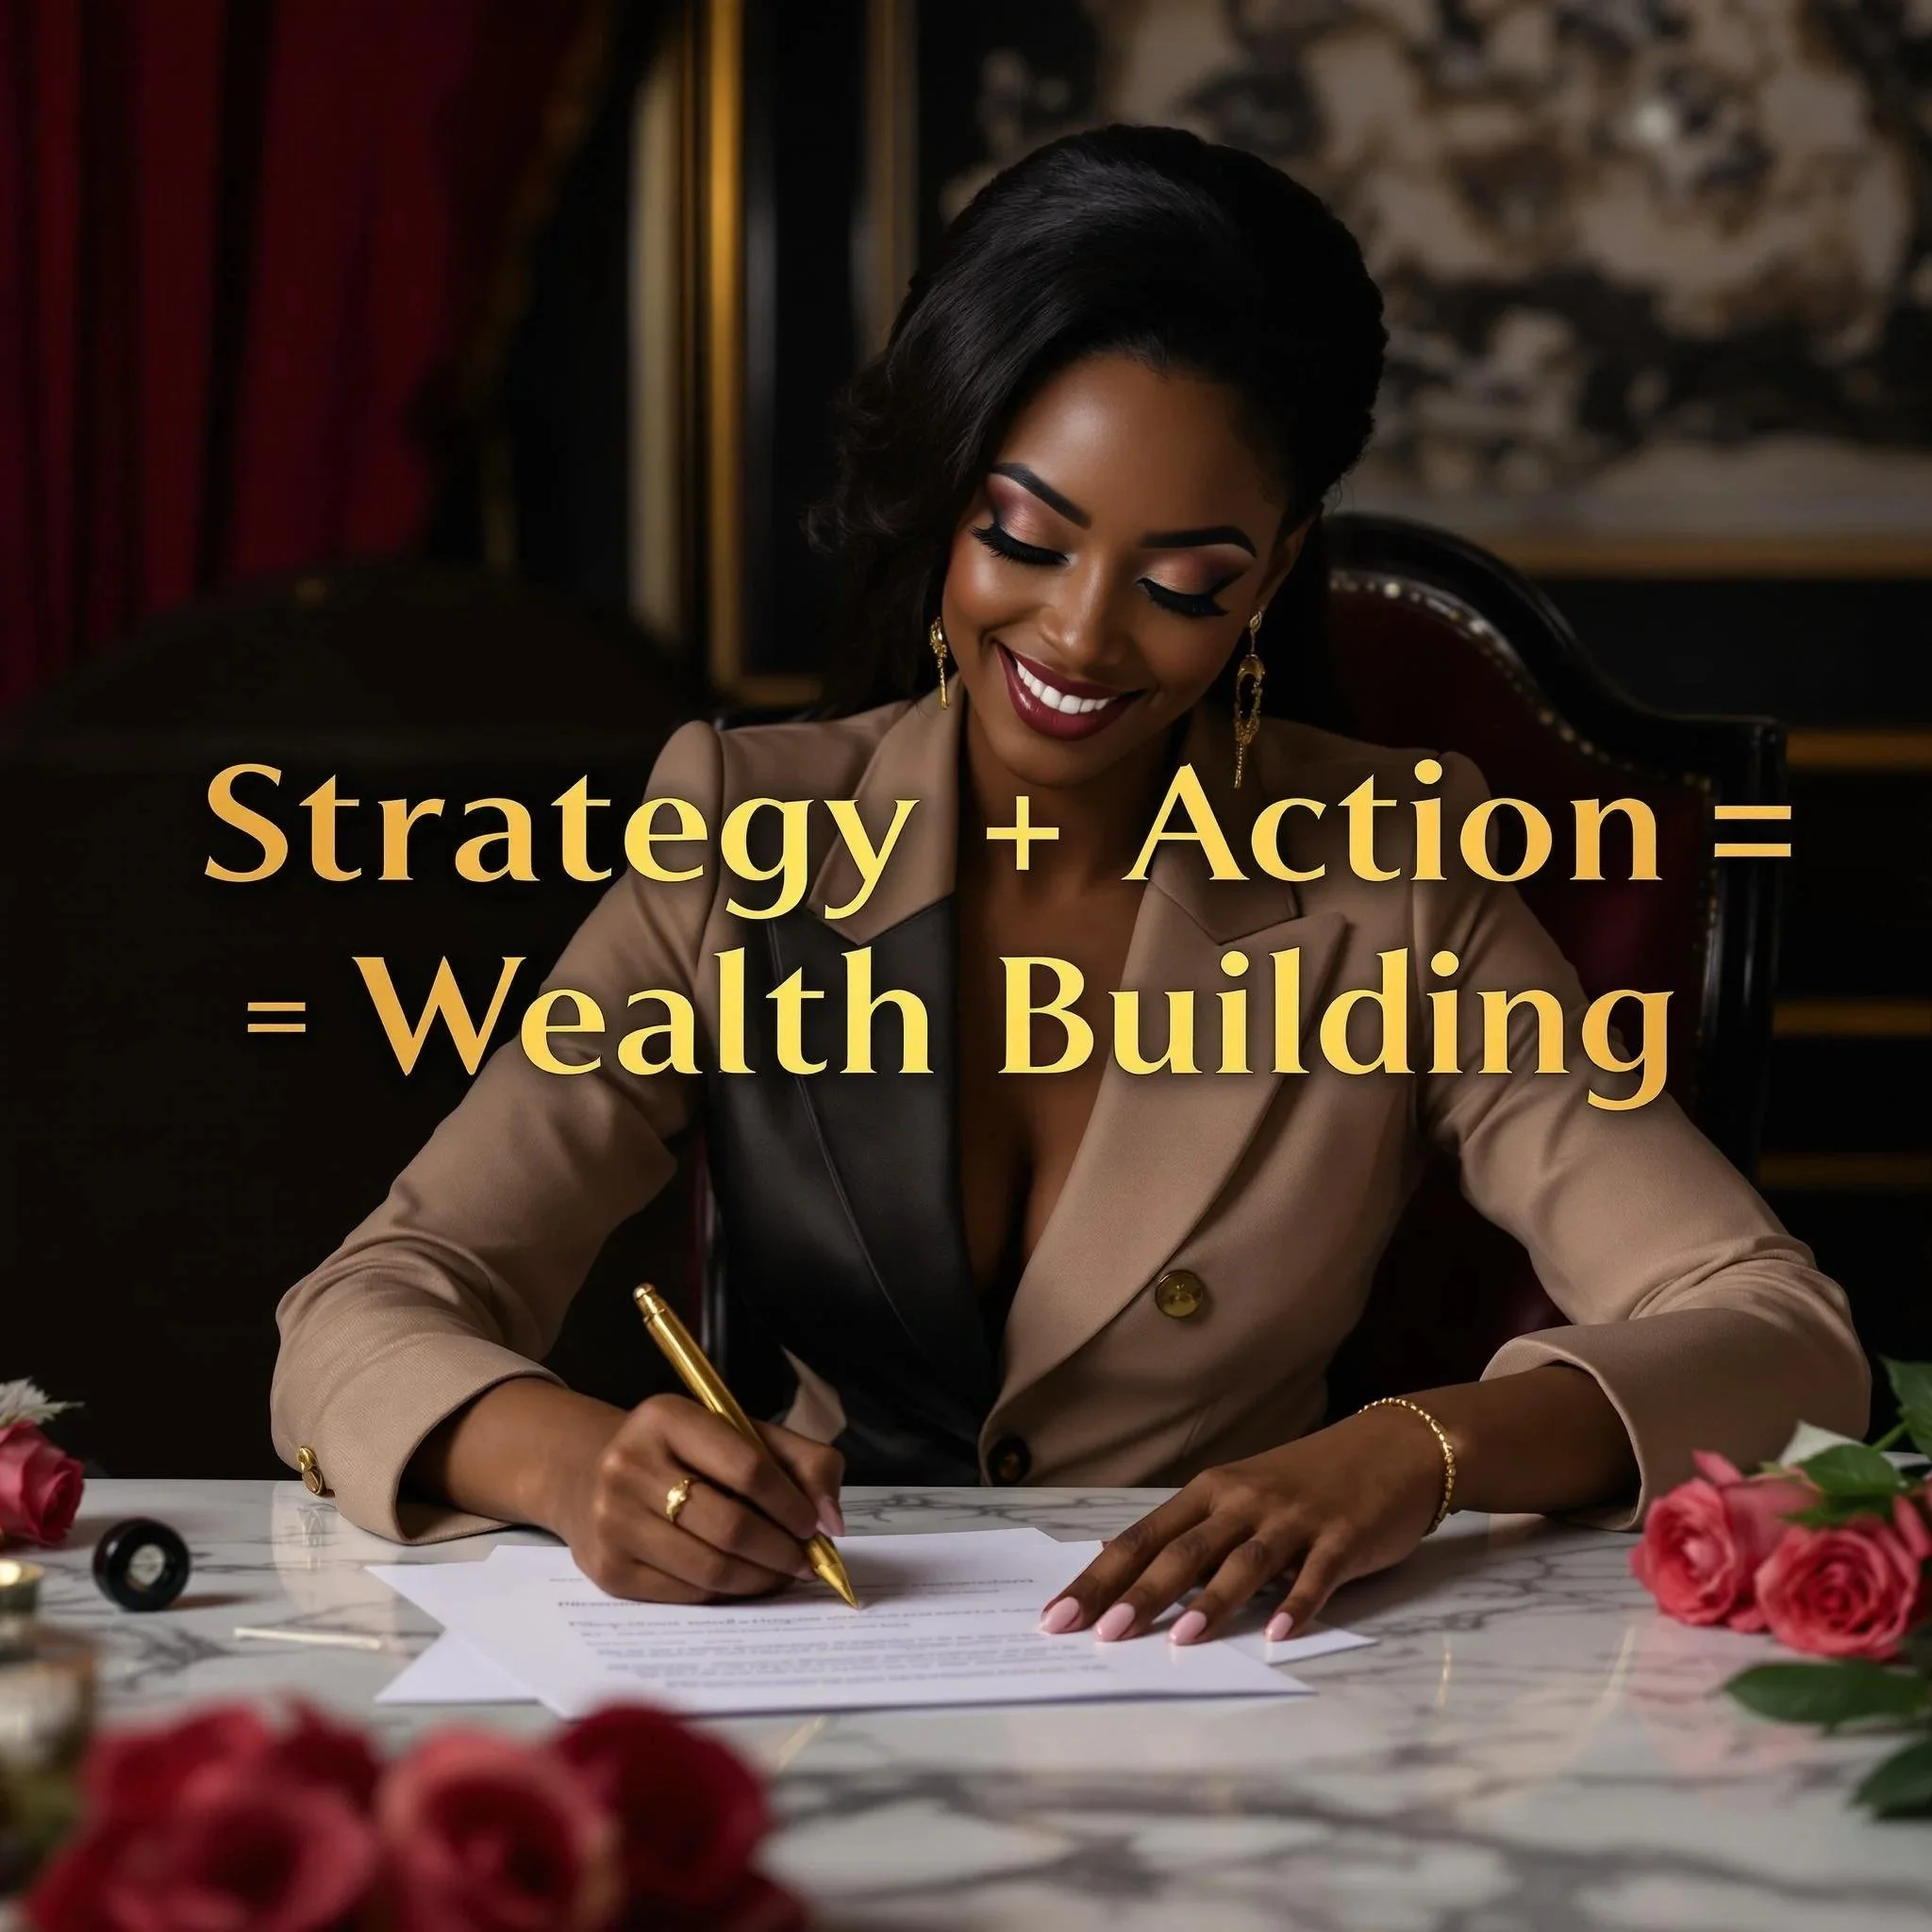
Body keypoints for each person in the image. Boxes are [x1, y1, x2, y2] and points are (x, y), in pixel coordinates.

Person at [272, 125, 1866, 1648]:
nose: (1084, 636)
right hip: (815, 1657)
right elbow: (363, 1308)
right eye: (1026, 539)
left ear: (1273, 574)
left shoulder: (1400, 870)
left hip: (1233, 1676)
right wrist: (574, 1466)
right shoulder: (744, 826)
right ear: (947, 499)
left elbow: (1783, 1335)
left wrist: (1415, 1451)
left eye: (1182, 582)